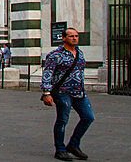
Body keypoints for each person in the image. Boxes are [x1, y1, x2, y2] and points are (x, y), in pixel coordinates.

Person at [42, 27, 93, 161]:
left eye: (76, 36)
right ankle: (60, 149)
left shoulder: (80, 53)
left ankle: (73, 145)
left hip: (79, 93)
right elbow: (47, 74)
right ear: (63, 38)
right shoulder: (55, 55)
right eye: (71, 36)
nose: (75, 38)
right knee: (62, 120)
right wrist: (47, 93)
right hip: (62, 93)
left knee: (88, 117)